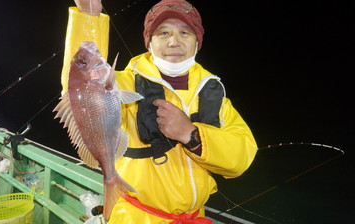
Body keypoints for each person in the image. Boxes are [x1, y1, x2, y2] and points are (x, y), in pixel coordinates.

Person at [60, 0, 258, 223]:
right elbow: (78, 84)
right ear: (149, 42)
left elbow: (241, 158)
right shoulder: (121, 83)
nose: (174, 41)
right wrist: (89, 17)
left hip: (195, 217)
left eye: (185, 33)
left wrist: (192, 135)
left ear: (197, 42)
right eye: (163, 33)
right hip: (137, 217)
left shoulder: (213, 93)